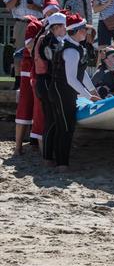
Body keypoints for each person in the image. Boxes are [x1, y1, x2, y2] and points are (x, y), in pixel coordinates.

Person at [49, 14, 100, 171]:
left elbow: (81, 72)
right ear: (76, 31)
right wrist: (88, 95)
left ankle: (58, 160)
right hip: (61, 90)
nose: (86, 32)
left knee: (67, 125)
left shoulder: (77, 47)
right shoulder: (71, 51)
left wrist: (92, 90)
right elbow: (71, 79)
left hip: (66, 90)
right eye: (84, 29)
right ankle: (61, 164)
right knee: (64, 126)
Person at [33, 11, 65, 164]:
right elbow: (53, 63)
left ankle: (48, 155)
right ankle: (46, 157)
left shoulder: (46, 37)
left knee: (51, 119)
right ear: (57, 27)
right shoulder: (50, 40)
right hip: (46, 82)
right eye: (64, 26)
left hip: (43, 82)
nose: (66, 29)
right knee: (51, 120)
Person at [13, 16, 42, 155]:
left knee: (39, 110)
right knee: (25, 108)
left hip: (39, 70)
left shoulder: (52, 25)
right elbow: (29, 46)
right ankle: (18, 147)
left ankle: (37, 147)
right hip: (31, 69)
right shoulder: (35, 25)